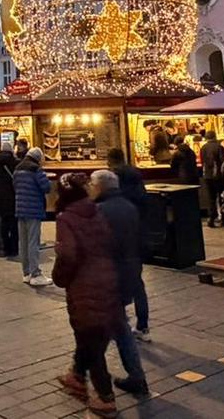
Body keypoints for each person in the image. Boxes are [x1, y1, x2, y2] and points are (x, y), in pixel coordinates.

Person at [53, 173, 120, 418]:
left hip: (84, 283)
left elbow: (68, 254)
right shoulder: (97, 211)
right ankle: (77, 376)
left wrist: (60, 276)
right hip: (107, 278)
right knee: (88, 332)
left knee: (90, 339)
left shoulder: (66, 218)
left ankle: (105, 396)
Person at [89, 169, 148, 398]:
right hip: (129, 272)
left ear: (101, 187)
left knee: (97, 332)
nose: (90, 188)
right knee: (119, 326)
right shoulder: (128, 206)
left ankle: (101, 389)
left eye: (92, 185)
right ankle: (136, 377)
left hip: (108, 276)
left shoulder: (100, 211)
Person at [106, 148, 150, 341]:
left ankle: (120, 322)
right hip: (138, 236)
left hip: (119, 241)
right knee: (137, 283)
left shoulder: (115, 185)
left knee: (115, 282)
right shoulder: (137, 177)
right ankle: (143, 324)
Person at [14, 146, 52, 286]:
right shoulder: (36, 169)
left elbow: (14, 186)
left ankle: (26, 272)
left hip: (20, 208)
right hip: (33, 208)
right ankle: (36, 273)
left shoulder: (18, 168)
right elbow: (46, 187)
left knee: (23, 242)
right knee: (33, 242)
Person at [0, 141, 18, 257]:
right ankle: (14, 248)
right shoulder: (15, 162)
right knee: (14, 223)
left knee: (4, 223)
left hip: (0, 196)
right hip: (13, 195)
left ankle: (6, 247)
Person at [200, 130, 224, 228]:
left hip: (207, 175)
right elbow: (223, 161)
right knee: (221, 196)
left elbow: (202, 161)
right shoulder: (219, 147)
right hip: (218, 175)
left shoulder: (203, 148)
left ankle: (212, 217)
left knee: (211, 198)